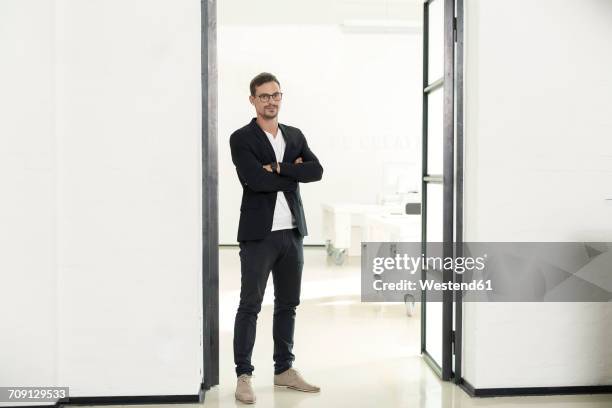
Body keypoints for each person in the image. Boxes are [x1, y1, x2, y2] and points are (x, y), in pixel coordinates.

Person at [229, 72, 323, 404]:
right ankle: (244, 375)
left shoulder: (294, 135)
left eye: (276, 95)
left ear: (281, 97)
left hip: (292, 233)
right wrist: (293, 173)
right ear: (252, 100)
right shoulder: (241, 138)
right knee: (250, 305)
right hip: (258, 236)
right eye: (264, 96)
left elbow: (316, 171)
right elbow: (255, 181)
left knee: (288, 304)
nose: (271, 101)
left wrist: (279, 169)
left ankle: (284, 370)